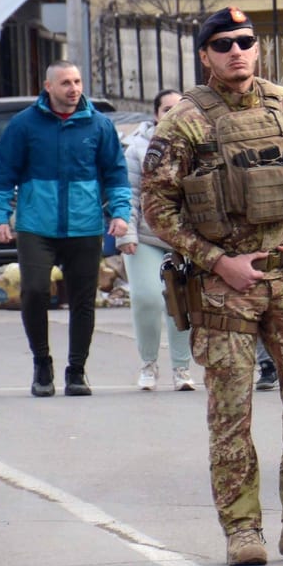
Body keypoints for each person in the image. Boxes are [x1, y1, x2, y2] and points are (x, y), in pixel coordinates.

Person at [139, 6, 283, 566]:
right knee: (232, 411)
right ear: (205, 55)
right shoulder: (184, 122)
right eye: (223, 44)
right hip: (226, 287)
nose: (237, 51)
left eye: (245, 41)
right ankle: (243, 530)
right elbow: (158, 209)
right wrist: (216, 261)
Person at [0, 61, 132, 396]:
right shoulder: (24, 125)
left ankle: (77, 370)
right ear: (48, 86)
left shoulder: (98, 125)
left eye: (78, 81)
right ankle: (42, 364)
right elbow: (3, 173)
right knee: (35, 290)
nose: (73, 88)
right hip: (37, 225)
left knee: (83, 300)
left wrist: (120, 214)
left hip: (84, 225)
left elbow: (116, 174)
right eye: (65, 82)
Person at [119, 90, 194, 391]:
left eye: (179, 109)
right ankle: (148, 364)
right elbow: (129, 194)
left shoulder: (199, 145)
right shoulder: (137, 148)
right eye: (166, 109)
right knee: (147, 297)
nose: (172, 115)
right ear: (155, 115)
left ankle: (182, 369)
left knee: (182, 302)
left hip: (184, 238)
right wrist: (127, 234)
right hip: (146, 237)